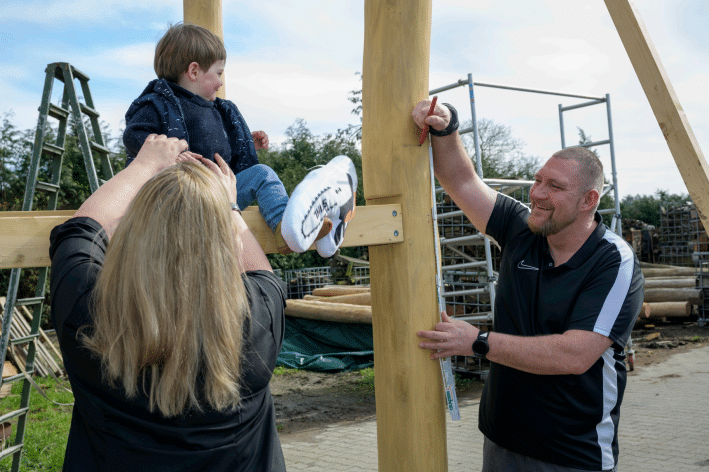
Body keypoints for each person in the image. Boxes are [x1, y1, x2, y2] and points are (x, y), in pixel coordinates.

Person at [413, 100, 643, 472]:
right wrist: (447, 126)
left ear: (589, 200)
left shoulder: (614, 261)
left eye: (554, 186)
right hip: (502, 441)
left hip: (571, 455)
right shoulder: (522, 228)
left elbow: (574, 355)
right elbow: (461, 179)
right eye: (537, 180)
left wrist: (477, 341)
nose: (537, 193)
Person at [50, 135, 288, 471]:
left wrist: (146, 163)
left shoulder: (89, 308)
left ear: (131, 234)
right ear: (222, 243)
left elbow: (80, 230)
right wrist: (230, 206)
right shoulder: (257, 315)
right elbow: (255, 266)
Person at [123, 22, 355, 256]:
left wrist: (245, 144)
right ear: (194, 71)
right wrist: (169, 153)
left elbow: (226, 156)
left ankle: (285, 229)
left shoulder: (219, 111)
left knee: (263, 174)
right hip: (178, 197)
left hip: (221, 193)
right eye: (218, 73)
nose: (221, 82)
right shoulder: (157, 104)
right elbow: (134, 134)